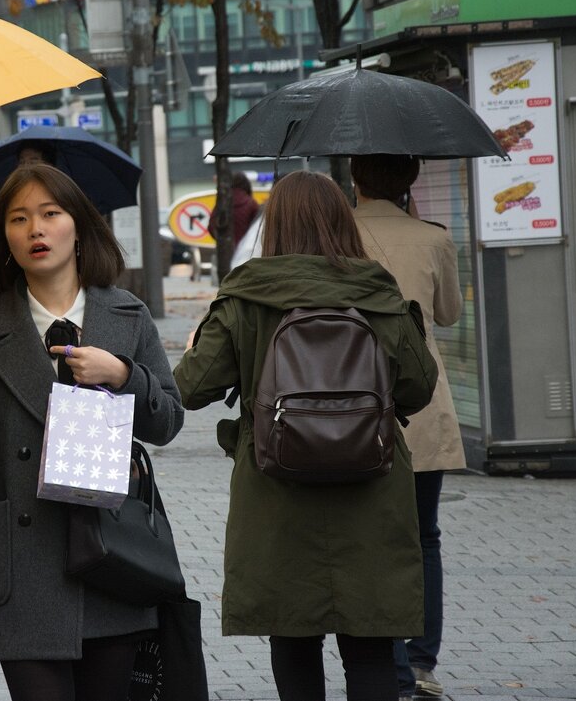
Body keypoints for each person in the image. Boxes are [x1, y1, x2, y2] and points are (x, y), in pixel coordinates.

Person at [0, 163, 185, 701]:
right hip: (23, 567)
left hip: (111, 557)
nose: (35, 230)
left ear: (79, 227)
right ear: (5, 240)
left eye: (50, 213)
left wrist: (123, 377)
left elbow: (168, 423)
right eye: (18, 220)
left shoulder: (127, 316)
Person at [173, 171, 438, 701]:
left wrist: (196, 343)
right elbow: (417, 388)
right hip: (372, 494)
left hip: (276, 498)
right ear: (343, 222)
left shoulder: (247, 296)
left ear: (276, 228)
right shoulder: (379, 294)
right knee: (370, 651)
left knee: (293, 642)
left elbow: (191, 387)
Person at [351, 154, 464, 701]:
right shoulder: (435, 238)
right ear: (410, 180)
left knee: (373, 538)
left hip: (356, 398)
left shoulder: (336, 233)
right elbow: (448, 313)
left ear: (354, 177)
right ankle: (422, 663)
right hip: (423, 402)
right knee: (424, 536)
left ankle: (390, 662)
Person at [214, 172, 260, 251]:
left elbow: (212, 225)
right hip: (247, 250)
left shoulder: (222, 203)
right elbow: (258, 228)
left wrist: (222, 239)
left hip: (225, 251)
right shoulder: (251, 203)